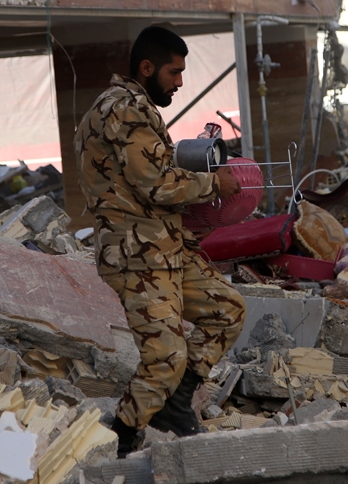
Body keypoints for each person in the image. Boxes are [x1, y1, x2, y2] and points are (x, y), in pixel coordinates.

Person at [74, 26, 246, 456]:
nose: (180, 81)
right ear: (146, 68)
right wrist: (214, 185)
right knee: (165, 354)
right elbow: (157, 184)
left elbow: (146, 187)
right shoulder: (125, 110)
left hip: (164, 247)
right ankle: (122, 439)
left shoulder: (136, 107)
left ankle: (174, 405)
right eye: (174, 72)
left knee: (227, 310)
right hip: (137, 256)